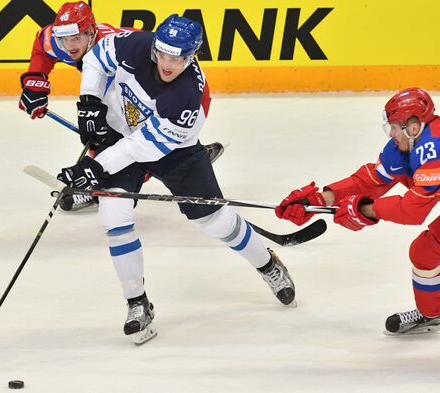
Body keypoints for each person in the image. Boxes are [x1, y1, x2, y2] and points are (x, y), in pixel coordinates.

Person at [55, 14, 297, 344]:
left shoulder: (185, 97)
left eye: (177, 58)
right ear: (155, 47)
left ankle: (267, 263)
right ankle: (138, 303)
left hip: (173, 151)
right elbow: (96, 58)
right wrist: (89, 102)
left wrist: (97, 168)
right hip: (121, 136)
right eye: (163, 55)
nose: (168, 64)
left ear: (191, 56)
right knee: (114, 215)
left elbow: (143, 147)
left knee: (215, 221)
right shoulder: (136, 44)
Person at [18, 1, 225, 211]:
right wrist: (35, 82)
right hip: (138, 90)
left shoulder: (114, 50)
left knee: (129, 137)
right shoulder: (61, 39)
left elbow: (132, 136)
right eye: (64, 40)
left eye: (76, 39)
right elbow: (41, 46)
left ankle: (182, 159)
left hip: (183, 95)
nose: (69, 46)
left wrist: (96, 166)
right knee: (103, 128)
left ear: (91, 32)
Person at [275, 87, 440, 335]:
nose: (391, 134)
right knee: (425, 251)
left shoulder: (433, 149)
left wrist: (364, 209)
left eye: (394, 127)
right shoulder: (406, 147)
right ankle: (433, 313)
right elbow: (371, 181)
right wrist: (321, 199)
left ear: (413, 127)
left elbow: (412, 211)